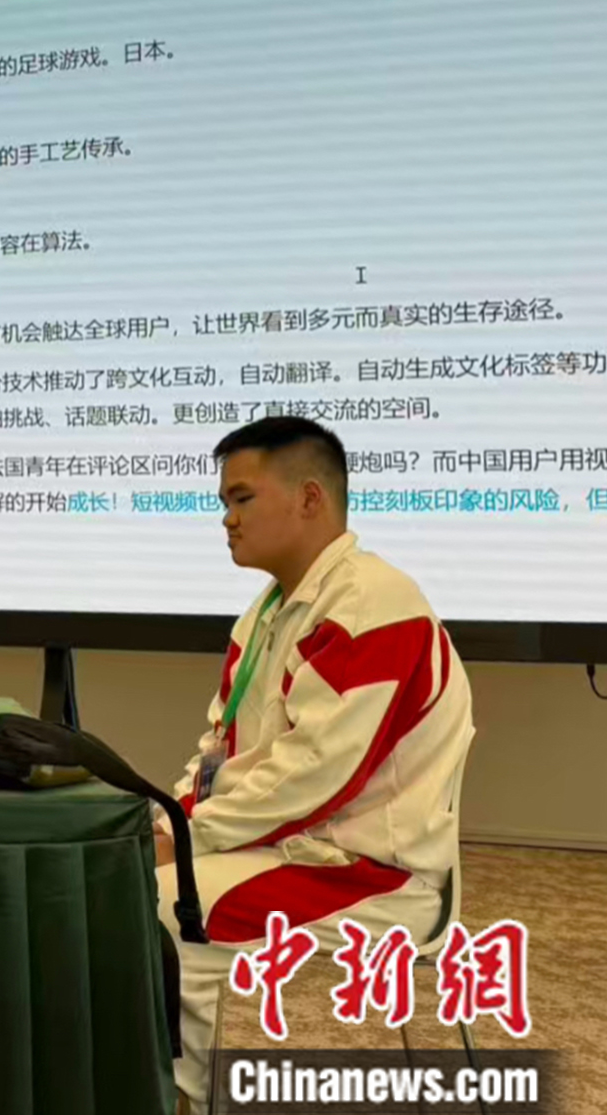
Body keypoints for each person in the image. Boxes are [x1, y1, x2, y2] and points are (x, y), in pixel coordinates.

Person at [155, 418, 474, 1110]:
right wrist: (169, 820)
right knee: (131, 885)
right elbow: (220, 749)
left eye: (242, 498)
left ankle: (180, 1099)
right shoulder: (268, 611)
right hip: (290, 846)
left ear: (309, 498)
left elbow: (314, 777)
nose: (227, 519)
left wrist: (185, 839)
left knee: (167, 911)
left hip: (373, 873)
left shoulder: (373, 604)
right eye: (224, 503)